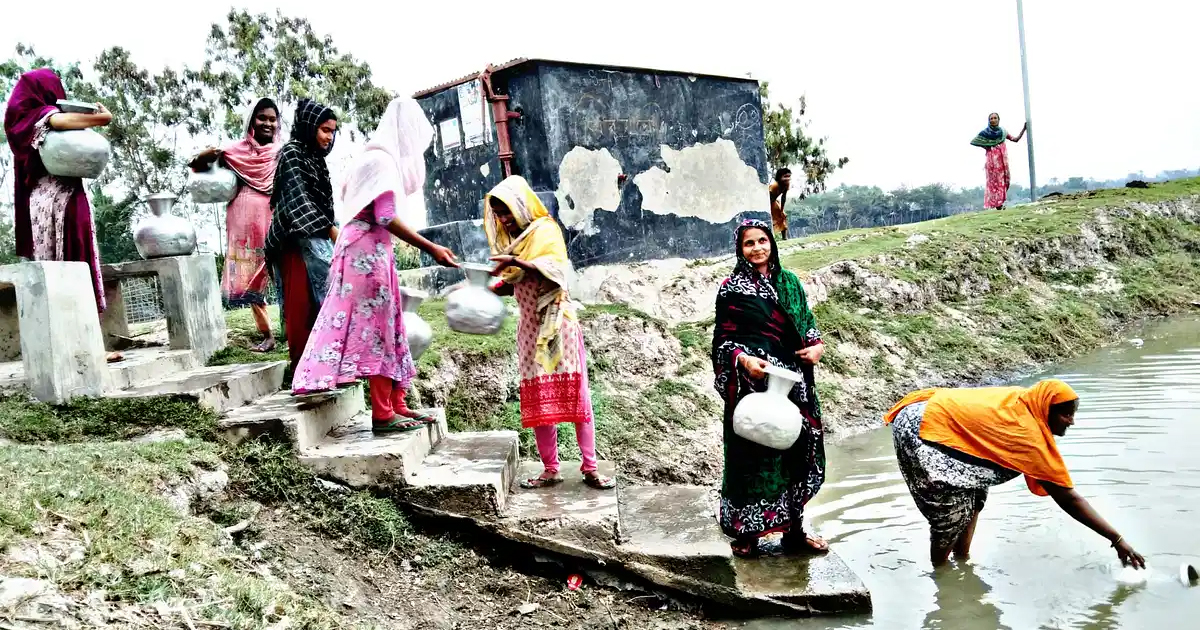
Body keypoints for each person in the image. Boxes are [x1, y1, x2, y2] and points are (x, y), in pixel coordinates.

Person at [291, 98, 459, 431]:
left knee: (392, 324)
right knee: (378, 329)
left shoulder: (370, 159)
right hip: (365, 254)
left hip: (370, 250)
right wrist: (431, 247)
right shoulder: (380, 162)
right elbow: (384, 215)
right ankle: (383, 413)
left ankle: (397, 403)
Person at [883, 379, 1147, 569]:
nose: (1072, 422)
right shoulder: (1028, 436)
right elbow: (1069, 499)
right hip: (922, 427)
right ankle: (940, 574)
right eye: (1066, 415)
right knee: (949, 513)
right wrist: (1117, 539)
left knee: (975, 495)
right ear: (1047, 409)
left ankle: (961, 561)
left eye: (1073, 414)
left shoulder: (1027, 402)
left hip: (945, 420)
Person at [483, 175, 614, 491]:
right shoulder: (512, 243)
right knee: (540, 400)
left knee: (578, 398)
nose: (503, 220)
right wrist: (484, 287)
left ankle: (591, 467)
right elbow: (514, 282)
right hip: (529, 330)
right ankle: (550, 468)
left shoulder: (545, 231)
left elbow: (553, 272)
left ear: (521, 206)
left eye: (507, 212)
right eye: (498, 213)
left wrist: (513, 262)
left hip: (558, 328)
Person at [711, 218, 827, 558]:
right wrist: (744, 361)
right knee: (752, 456)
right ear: (740, 249)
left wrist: (816, 347)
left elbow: (807, 324)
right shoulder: (731, 289)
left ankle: (795, 532)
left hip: (794, 385)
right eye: (749, 243)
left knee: (793, 453)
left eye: (763, 241)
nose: (758, 248)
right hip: (751, 387)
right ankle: (748, 533)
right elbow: (722, 340)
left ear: (772, 243)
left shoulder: (789, 282)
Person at [4, 68, 122, 363]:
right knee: (76, 263)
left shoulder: (23, 125)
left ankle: (77, 346)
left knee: (63, 266)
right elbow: (59, 118)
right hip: (62, 200)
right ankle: (86, 348)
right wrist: (102, 118)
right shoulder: (40, 116)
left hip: (42, 202)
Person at [189, 97, 282, 352]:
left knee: (282, 274)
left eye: (272, 119)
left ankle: (293, 330)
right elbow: (197, 170)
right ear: (251, 121)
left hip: (275, 218)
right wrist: (205, 156)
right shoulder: (233, 152)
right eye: (262, 118)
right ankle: (268, 336)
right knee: (251, 279)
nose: (267, 123)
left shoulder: (282, 152)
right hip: (243, 222)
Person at [265, 98, 339, 374]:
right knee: (301, 310)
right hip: (293, 242)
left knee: (325, 304)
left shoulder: (317, 159)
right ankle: (303, 371)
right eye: (324, 130)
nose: (329, 137)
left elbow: (324, 204)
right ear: (309, 127)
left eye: (332, 132)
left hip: (316, 238)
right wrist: (331, 230)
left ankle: (326, 368)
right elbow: (297, 201)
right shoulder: (292, 153)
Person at [971, 113, 1027, 210]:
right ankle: (998, 204)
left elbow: (1015, 139)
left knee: (1004, 181)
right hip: (992, 163)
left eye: (995, 118)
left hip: (1003, 162)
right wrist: (987, 146)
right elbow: (974, 141)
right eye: (991, 118)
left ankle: (1000, 203)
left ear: (998, 119)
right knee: (994, 183)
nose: (993, 120)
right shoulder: (985, 133)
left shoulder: (1003, 132)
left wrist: (1024, 129)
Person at [768, 168, 791, 240]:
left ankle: (784, 237)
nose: (787, 179)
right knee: (770, 219)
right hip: (768, 202)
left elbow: (783, 197)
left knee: (783, 216)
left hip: (774, 202)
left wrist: (781, 210)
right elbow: (768, 198)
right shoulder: (774, 186)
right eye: (785, 177)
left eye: (788, 176)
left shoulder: (786, 185)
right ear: (779, 177)